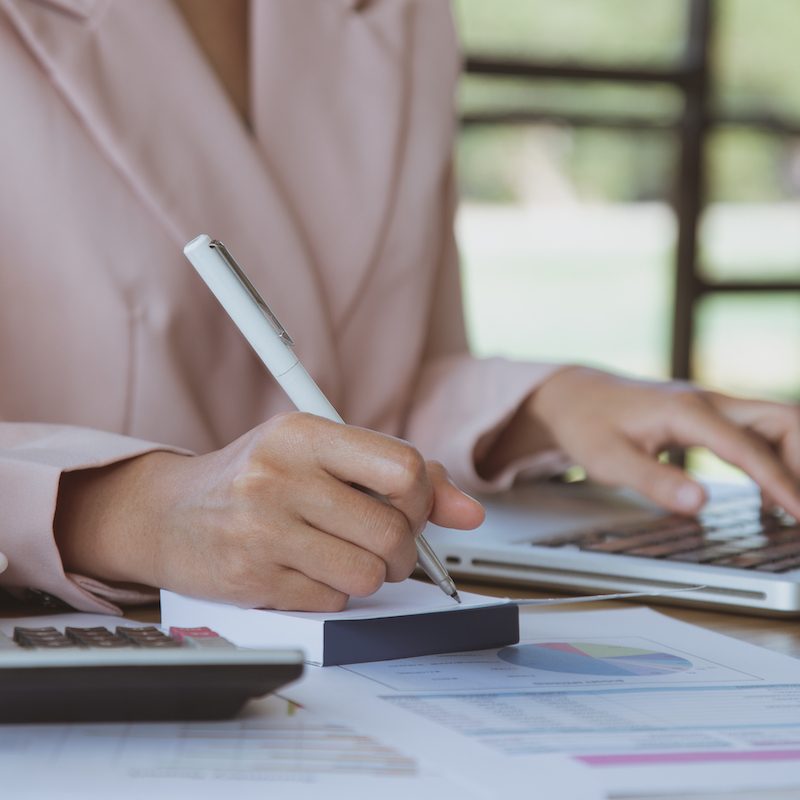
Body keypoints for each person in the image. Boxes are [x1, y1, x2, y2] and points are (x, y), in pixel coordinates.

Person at [1, 0, 799, 615]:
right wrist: (124, 514)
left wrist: (552, 405)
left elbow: (367, 387)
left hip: (354, 638)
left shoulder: (400, 14)